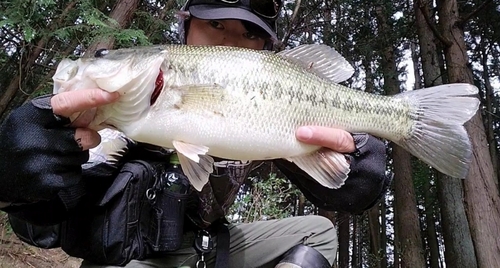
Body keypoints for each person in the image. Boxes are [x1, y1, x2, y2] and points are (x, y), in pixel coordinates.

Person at [0, 0, 391, 267]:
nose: (228, 41)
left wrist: (356, 171)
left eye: (249, 34)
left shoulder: (265, 112)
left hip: (212, 247)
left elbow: (329, 167)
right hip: (133, 257)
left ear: (267, 48)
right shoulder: (116, 116)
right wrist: (23, 185)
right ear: (185, 27)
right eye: (215, 24)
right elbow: (45, 224)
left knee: (318, 232)